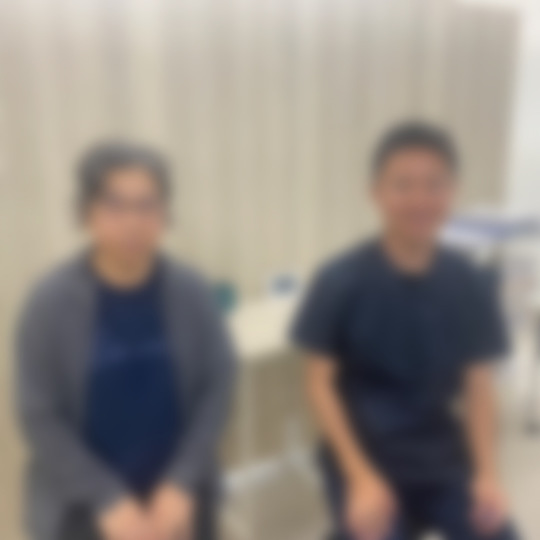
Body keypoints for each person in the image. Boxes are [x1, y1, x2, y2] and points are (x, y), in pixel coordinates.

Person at [292, 123, 519, 540]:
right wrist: (360, 477)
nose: (419, 200)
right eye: (403, 185)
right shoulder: (338, 280)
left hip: (442, 458)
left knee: (498, 532)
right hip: (364, 456)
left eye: (434, 185)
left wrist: (487, 474)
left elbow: (479, 386)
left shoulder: (469, 281)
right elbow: (318, 383)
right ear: (375, 192)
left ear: (453, 192)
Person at [16, 143, 237, 540]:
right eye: (115, 206)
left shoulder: (192, 291)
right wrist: (106, 498)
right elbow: (38, 415)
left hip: (178, 501)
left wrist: (182, 480)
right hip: (87, 507)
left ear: (164, 214)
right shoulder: (49, 302)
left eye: (147, 206)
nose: (133, 222)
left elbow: (218, 386)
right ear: (86, 213)